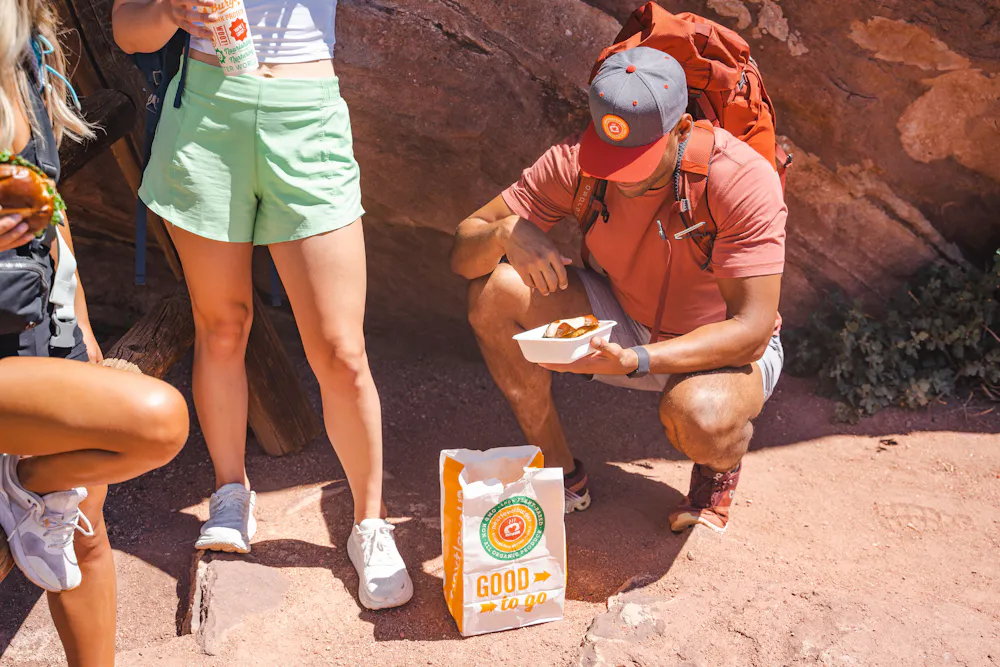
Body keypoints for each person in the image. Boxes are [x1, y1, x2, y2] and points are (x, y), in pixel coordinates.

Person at [111, 0, 412, 608]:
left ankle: (371, 524)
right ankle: (229, 492)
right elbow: (127, 30)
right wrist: (170, 10)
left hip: (306, 115)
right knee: (221, 326)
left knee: (341, 350)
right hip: (206, 116)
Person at [450, 47, 786, 534]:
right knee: (493, 290)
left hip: (719, 347)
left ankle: (717, 470)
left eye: (639, 161)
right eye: (609, 156)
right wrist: (504, 234)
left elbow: (752, 330)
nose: (617, 175)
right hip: (622, 320)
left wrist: (639, 360)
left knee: (700, 415)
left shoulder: (738, 179)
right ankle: (561, 474)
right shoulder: (577, 163)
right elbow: (462, 253)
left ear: (680, 127)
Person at [0, 3, 189, 665]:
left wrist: (82, 334)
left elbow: (48, 214)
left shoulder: (25, 44)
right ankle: (27, 482)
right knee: (155, 420)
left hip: (36, 329)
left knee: (85, 523)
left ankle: (28, 484)